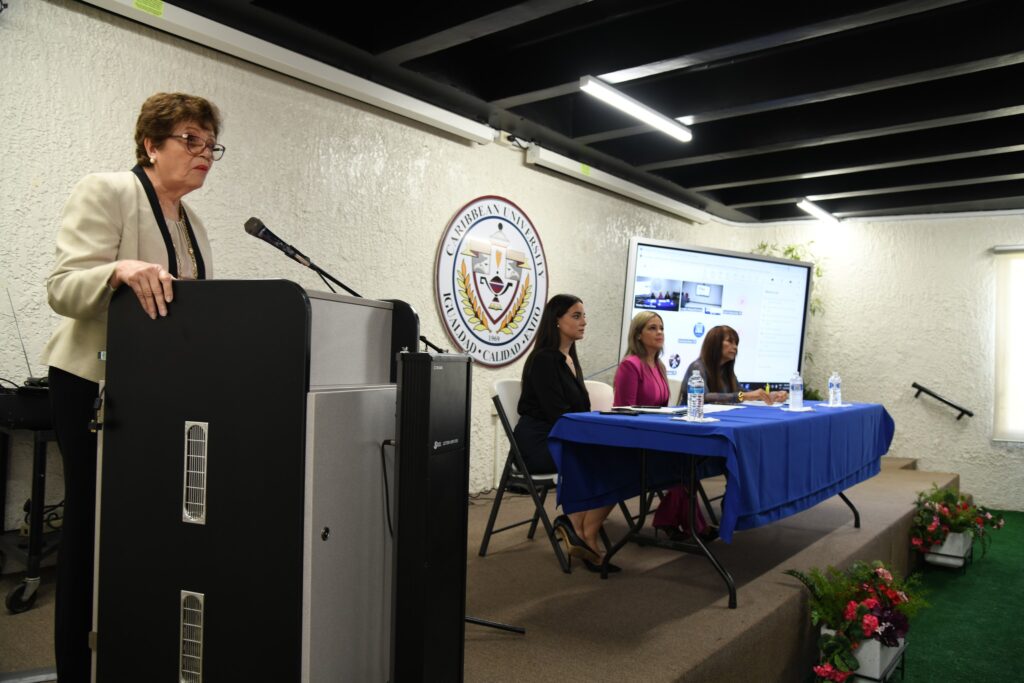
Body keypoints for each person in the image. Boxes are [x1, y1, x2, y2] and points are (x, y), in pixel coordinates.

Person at [39, 92, 223, 681]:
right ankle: (77, 665)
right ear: (151, 143)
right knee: (93, 531)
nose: (204, 155)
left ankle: (134, 651)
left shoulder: (192, 222)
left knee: (147, 529)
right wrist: (116, 270)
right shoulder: (109, 190)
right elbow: (63, 287)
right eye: (190, 141)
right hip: (94, 386)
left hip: (161, 395)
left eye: (211, 145)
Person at [514, 294, 616, 572]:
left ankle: (582, 531)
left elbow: (577, 412)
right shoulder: (545, 360)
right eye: (576, 315)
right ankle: (582, 533)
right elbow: (557, 414)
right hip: (541, 442)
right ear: (556, 321)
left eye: (584, 315)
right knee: (610, 462)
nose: (584, 322)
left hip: (565, 436)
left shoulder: (569, 358)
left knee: (620, 460)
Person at [677, 325, 788, 405]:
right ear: (714, 344)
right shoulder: (697, 367)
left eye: (736, 343)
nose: (735, 347)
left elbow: (742, 392)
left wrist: (769, 395)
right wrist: (742, 396)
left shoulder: (725, 370)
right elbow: (703, 397)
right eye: (730, 341)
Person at [613, 311, 670, 407]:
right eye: (652, 328)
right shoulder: (630, 365)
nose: (659, 332)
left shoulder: (660, 366)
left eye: (661, 328)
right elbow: (625, 411)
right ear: (638, 334)